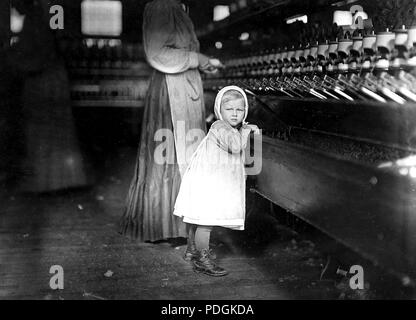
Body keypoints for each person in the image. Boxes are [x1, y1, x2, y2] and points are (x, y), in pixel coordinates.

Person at [119, 0, 223, 242]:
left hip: (181, 85)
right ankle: (167, 226)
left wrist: (203, 62)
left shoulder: (175, 6)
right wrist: (197, 58)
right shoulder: (162, 6)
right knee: (172, 154)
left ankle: (178, 226)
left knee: (183, 154)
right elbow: (157, 54)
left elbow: (177, 50)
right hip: (171, 90)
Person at [173, 86, 260, 276]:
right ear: (220, 110)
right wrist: (245, 131)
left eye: (240, 109)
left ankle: (191, 250)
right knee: (206, 221)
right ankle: (203, 260)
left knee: (198, 218)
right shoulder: (220, 126)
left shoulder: (225, 127)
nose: (235, 114)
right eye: (229, 109)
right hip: (208, 182)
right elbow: (236, 147)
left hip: (206, 179)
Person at [10, 0, 88, 193]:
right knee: (51, 131)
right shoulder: (39, 16)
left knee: (46, 130)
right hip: (48, 78)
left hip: (44, 80)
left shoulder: (37, 18)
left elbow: (42, 55)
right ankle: (55, 180)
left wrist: (16, 63)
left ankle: (51, 182)